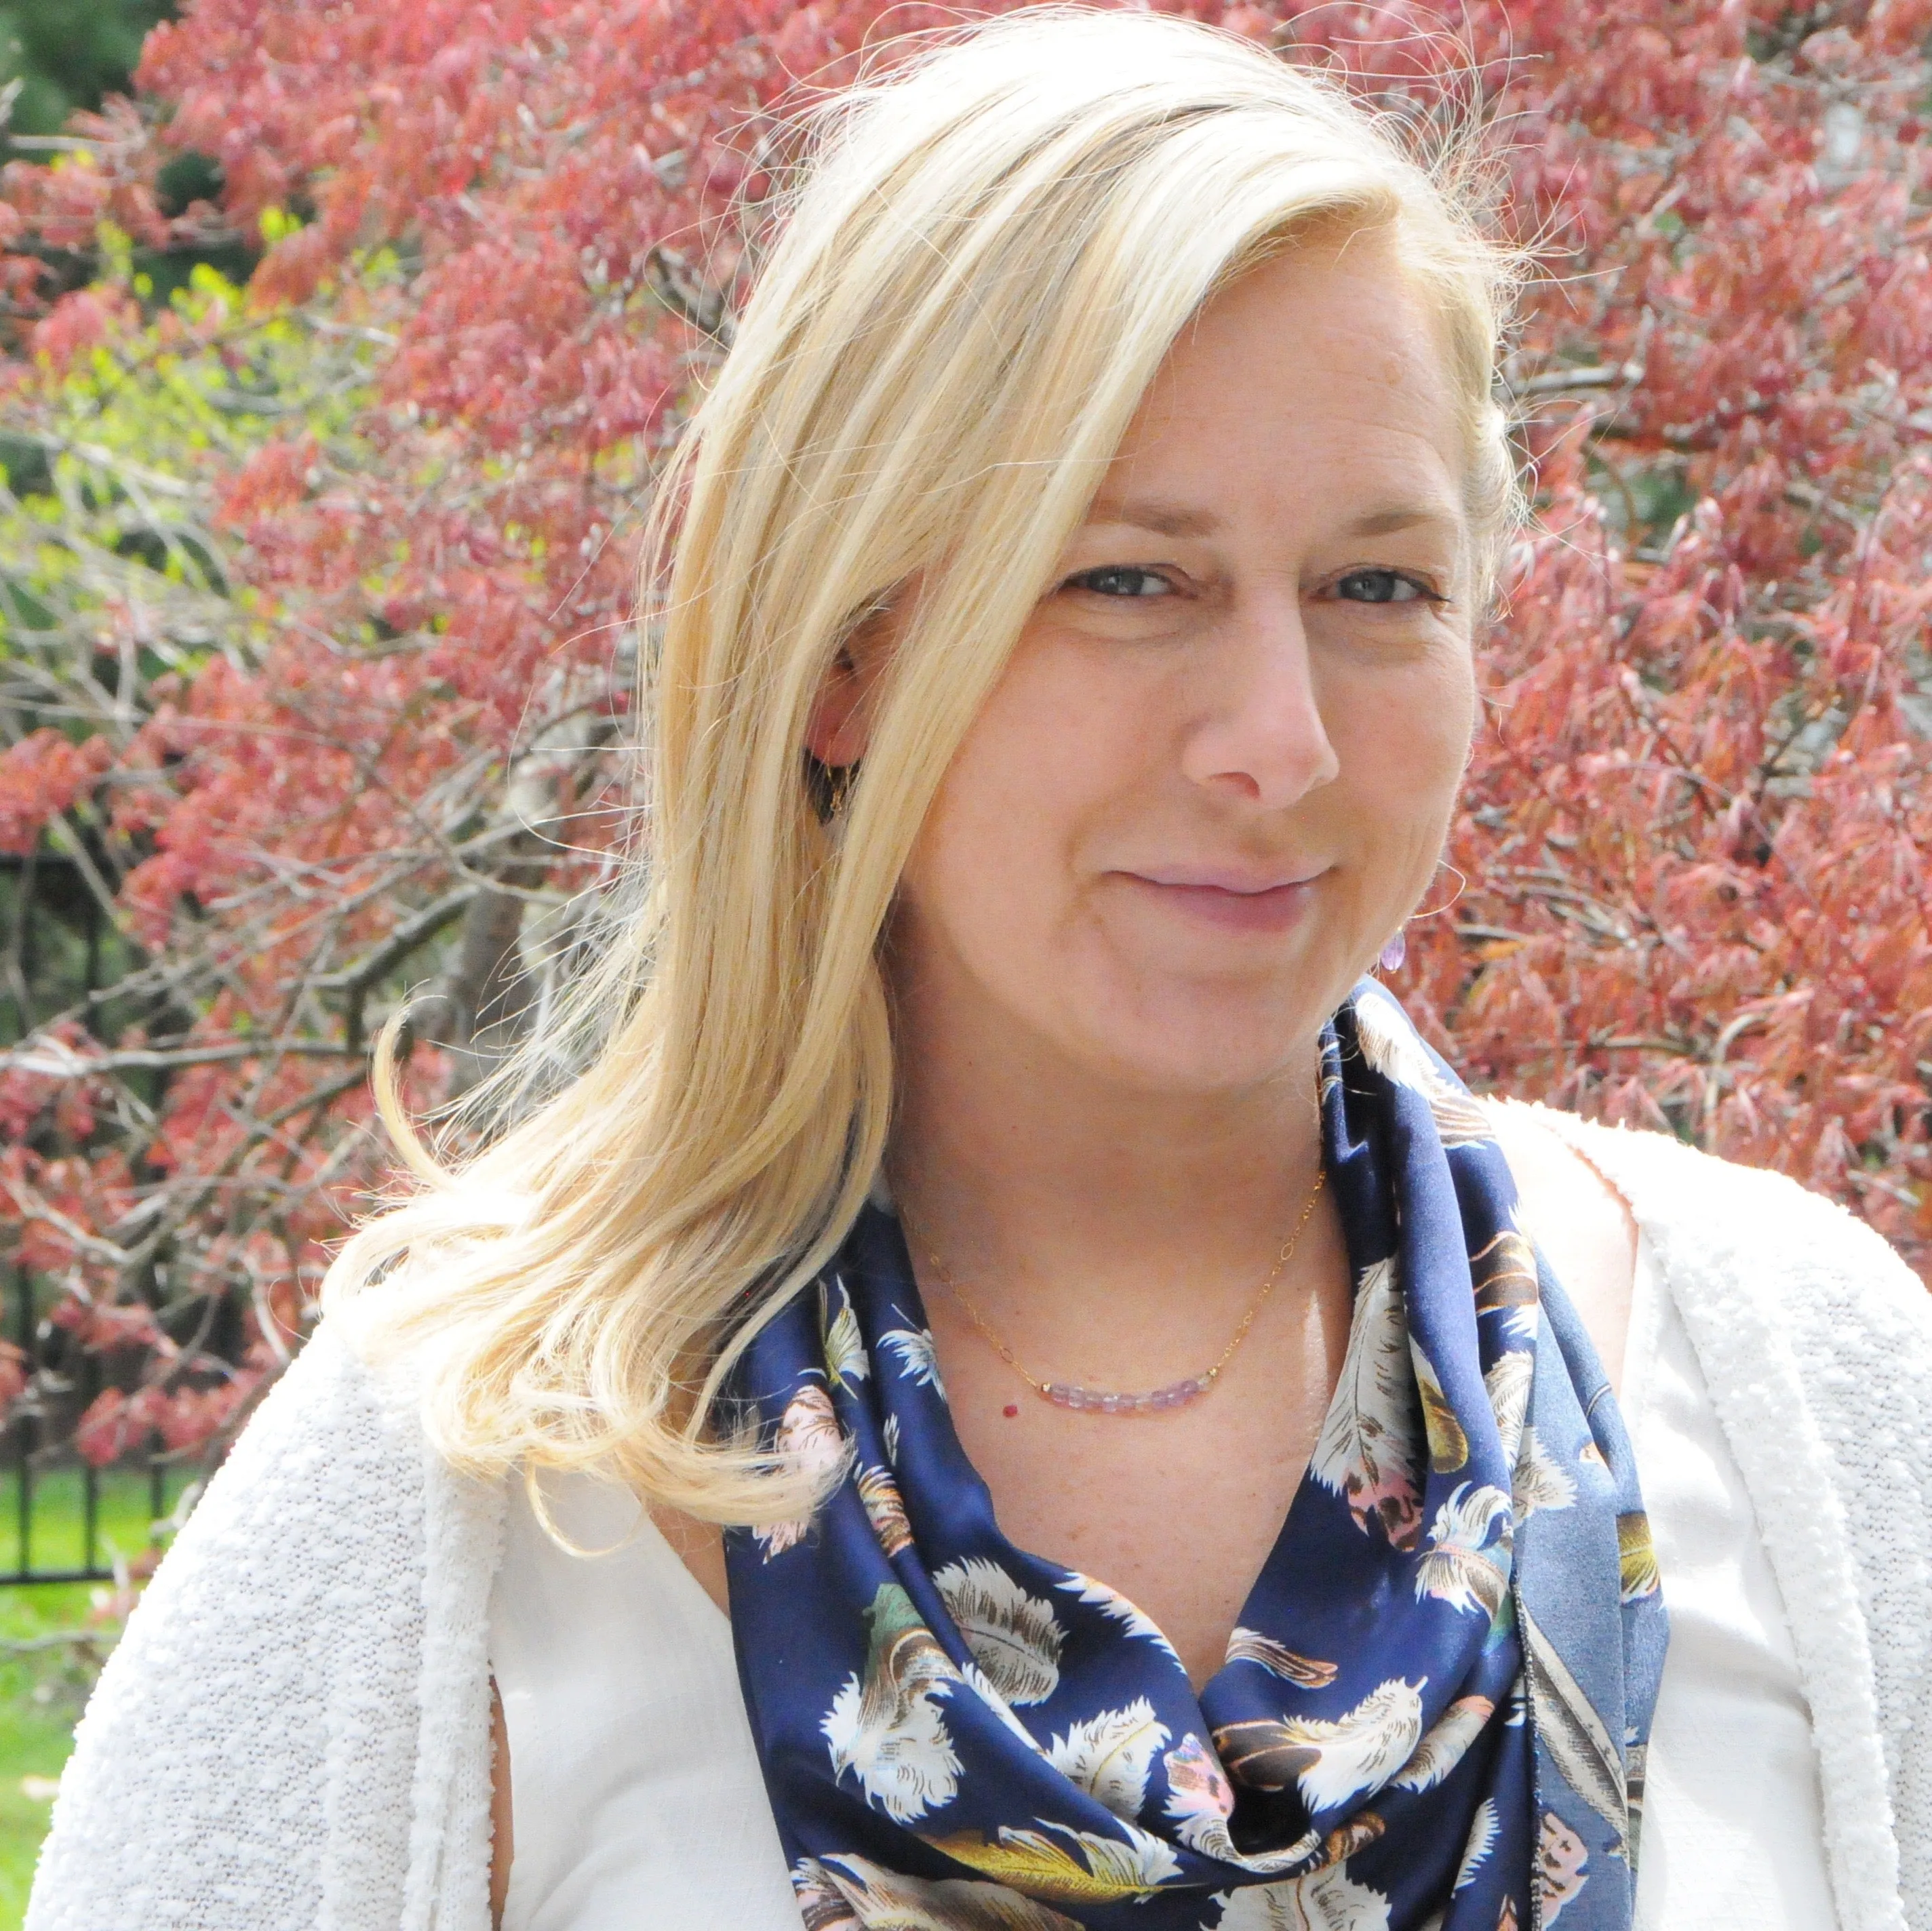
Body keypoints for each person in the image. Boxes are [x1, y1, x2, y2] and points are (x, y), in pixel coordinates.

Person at [26, 12, 1932, 1931]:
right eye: (1126, 577)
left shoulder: (1795, 1396)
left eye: (1379, 587)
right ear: (844, 653)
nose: (1280, 736)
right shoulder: (455, 1499)